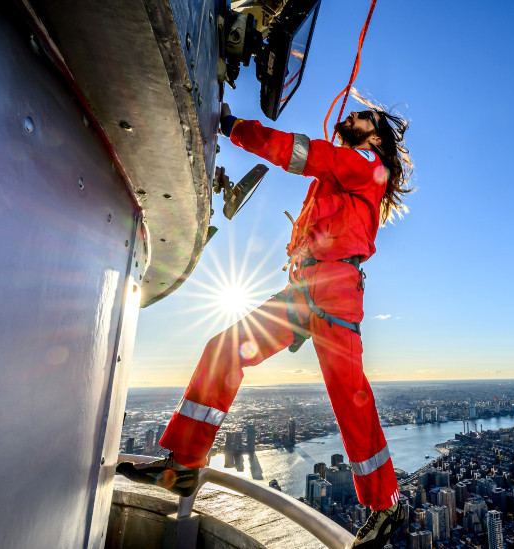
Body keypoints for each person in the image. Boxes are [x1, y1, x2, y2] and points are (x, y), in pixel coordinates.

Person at [118, 98, 412, 549]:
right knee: (226, 347)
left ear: (374, 137)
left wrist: (233, 126)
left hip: (333, 287)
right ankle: (184, 465)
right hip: (304, 288)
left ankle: (385, 503)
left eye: (362, 117)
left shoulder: (365, 164)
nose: (351, 117)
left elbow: (299, 152)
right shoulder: (343, 173)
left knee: (348, 394)